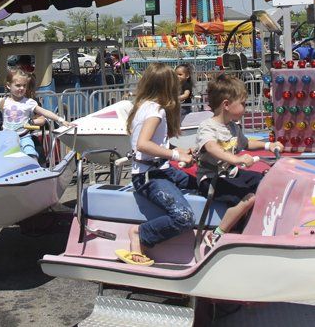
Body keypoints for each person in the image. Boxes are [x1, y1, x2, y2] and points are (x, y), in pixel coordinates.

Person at [118, 63, 195, 266]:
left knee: (201, 181)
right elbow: (144, 145)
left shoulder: (144, 106)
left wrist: (179, 151)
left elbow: (155, 143)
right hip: (149, 177)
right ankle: (140, 233)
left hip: (159, 171)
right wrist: (176, 155)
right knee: (184, 217)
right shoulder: (155, 111)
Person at [196, 74, 283, 248]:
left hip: (231, 173)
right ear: (226, 105)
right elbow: (212, 147)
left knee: (265, 181)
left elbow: (247, 143)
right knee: (249, 197)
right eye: (243, 103)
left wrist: (268, 145)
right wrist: (236, 159)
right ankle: (217, 234)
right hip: (212, 179)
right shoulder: (207, 127)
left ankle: (254, 224)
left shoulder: (233, 127)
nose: (245, 107)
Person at [0, 68, 73, 159]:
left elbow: (45, 112)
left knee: (31, 153)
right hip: (6, 138)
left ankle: (35, 174)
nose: (21, 88)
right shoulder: (2, 102)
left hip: (23, 137)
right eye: (17, 85)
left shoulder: (29, 102)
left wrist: (61, 120)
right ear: (8, 86)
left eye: (24, 86)